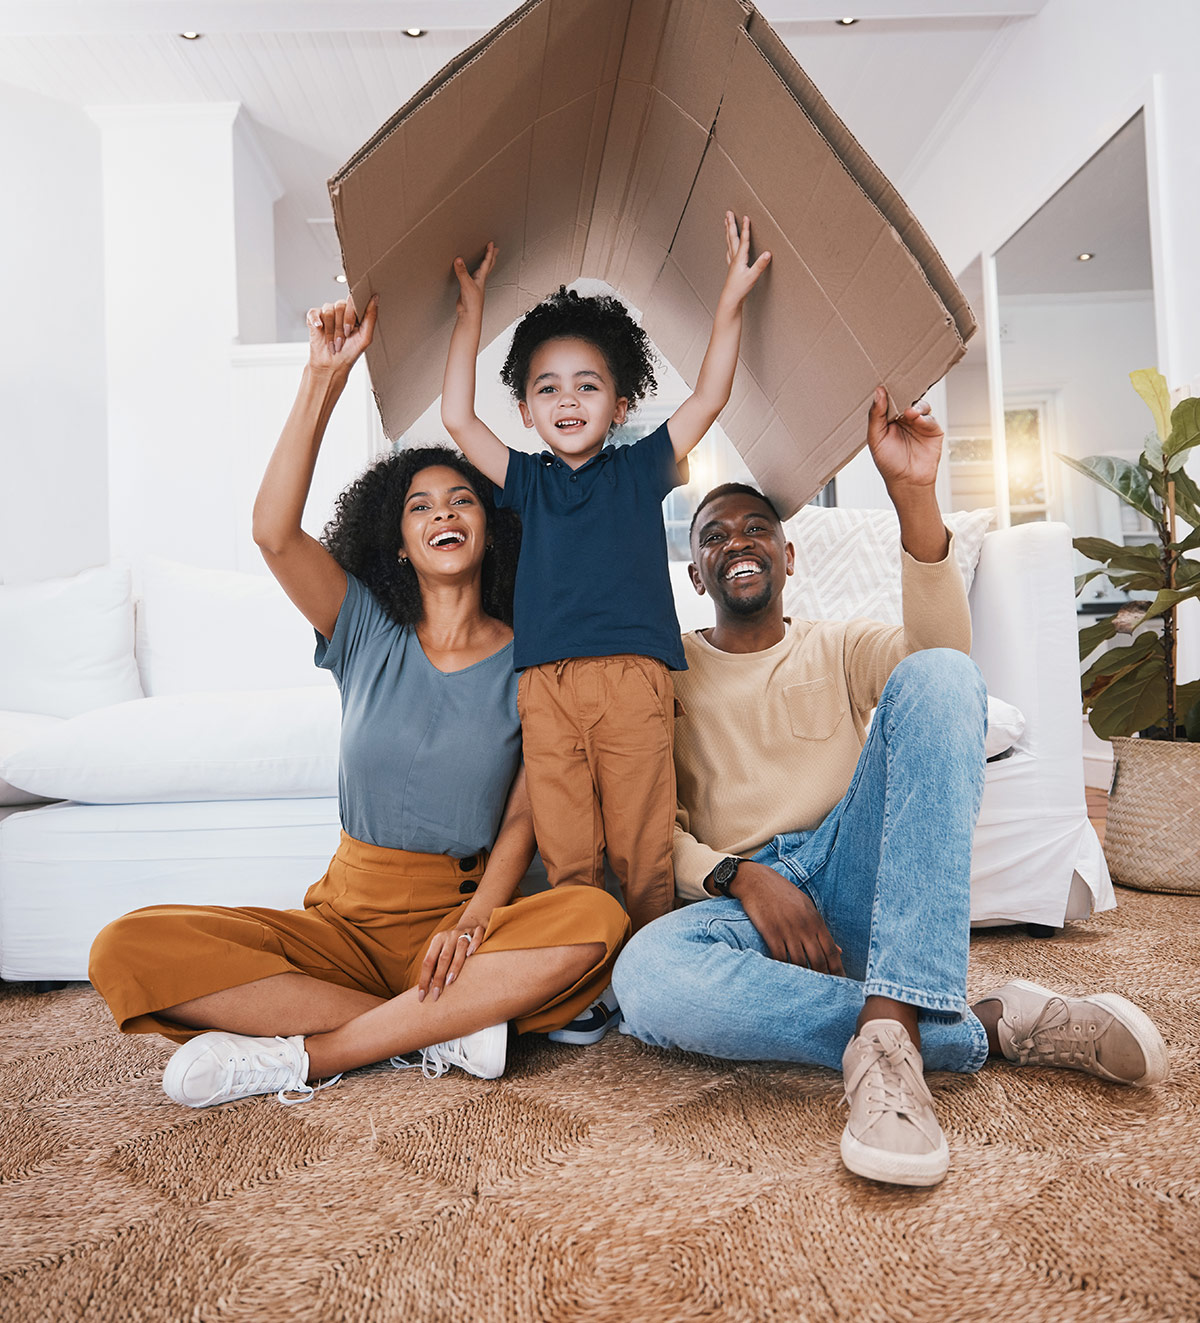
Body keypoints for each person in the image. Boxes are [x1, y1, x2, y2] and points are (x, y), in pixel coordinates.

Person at [613, 388, 1168, 1187]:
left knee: (939, 673)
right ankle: (966, 1025)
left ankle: (889, 1028)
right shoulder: (664, 670)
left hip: (855, 877)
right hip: (745, 903)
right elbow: (649, 826)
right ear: (695, 571)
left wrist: (913, 492)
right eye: (714, 536)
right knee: (646, 979)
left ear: (787, 555)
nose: (737, 540)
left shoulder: (838, 645)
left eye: (756, 527)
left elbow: (945, 670)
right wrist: (745, 875)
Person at [89, 295, 628, 1108]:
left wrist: (479, 920)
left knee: (593, 915)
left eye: (461, 499)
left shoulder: (533, 656)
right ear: (398, 544)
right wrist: (321, 379)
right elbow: (274, 533)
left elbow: (525, 814)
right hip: (344, 915)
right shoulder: (363, 627)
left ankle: (314, 1056)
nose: (442, 510)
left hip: (457, 919)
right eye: (420, 506)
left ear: (494, 526)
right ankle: (436, 1029)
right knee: (124, 947)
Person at [440, 213, 771, 934]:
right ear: (526, 411)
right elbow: (459, 418)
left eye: (587, 386)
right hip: (545, 687)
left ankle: (655, 964)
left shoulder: (641, 466)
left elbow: (709, 396)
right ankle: (583, 973)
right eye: (548, 389)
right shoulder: (525, 479)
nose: (567, 400)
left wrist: (731, 299)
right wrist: (470, 315)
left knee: (642, 845)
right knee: (568, 849)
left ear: (620, 405)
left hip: (633, 679)